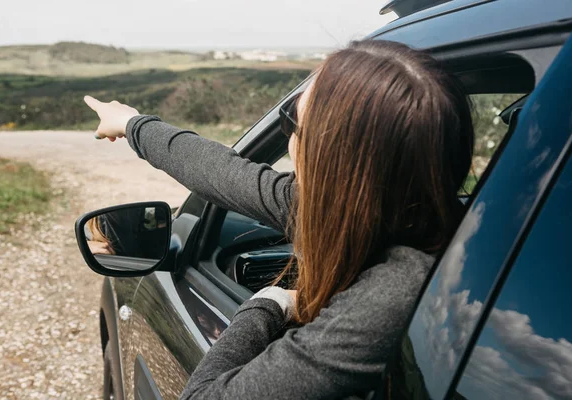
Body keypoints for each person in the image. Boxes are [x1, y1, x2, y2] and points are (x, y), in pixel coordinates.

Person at [84, 40, 474, 399]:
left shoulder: (391, 297)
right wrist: (133, 124)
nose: (289, 138)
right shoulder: (395, 210)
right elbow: (221, 172)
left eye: (292, 121)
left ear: (334, 157)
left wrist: (271, 302)